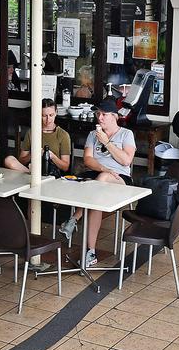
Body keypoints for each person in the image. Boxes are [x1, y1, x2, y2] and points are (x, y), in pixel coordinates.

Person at [57, 99, 135, 269]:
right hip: (96, 176)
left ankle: (74, 219)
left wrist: (106, 142)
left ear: (114, 116)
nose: (99, 117)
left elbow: (126, 160)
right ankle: (90, 252)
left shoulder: (126, 134)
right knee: (89, 190)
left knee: (102, 181)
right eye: (97, 114)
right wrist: (103, 168)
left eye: (104, 114)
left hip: (119, 178)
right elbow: (88, 160)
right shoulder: (93, 135)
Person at [4, 99, 72, 177]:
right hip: (31, 168)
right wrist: (34, 154)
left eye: (51, 115)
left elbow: (65, 167)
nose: (48, 119)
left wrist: (52, 156)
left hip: (51, 172)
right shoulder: (32, 132)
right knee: (9, 160)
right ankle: (34, 174)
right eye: (44, 116)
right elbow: (21, 161)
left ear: (56, 113)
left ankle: (37, 176)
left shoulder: (63, 135)